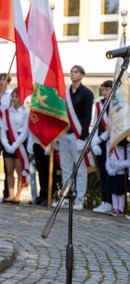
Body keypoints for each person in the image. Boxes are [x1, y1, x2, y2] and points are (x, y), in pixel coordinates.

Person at [55, 65, 94, 210]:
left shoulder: (87, 93)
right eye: (71, 72)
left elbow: (87, 117)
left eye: (76, 72)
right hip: (65, 135)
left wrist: (83, 138)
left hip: (78, 136)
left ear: (82, 75)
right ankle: (65, 198)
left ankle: (79, 200)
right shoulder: (65, 93)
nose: (72, 74)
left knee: (81, 169)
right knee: (66, 169)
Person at [0, 88, 30, 203]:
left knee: (19, 171)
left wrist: (15, 145)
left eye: (16, 96)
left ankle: (17, 196)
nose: (13, 98)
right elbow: (3, 130)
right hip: (8, 140)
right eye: (12, 96)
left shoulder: (25, 112)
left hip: (20, 143)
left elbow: (24, 131)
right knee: (9, 171)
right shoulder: (7, 112)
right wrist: (7, 145)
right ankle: (10, 195)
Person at [91, 80, 113, 213]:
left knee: (109, 172)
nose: (104, 92)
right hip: (99, 141)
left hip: (110, 142)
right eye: (103, 89)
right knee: (102, 173)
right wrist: (94, 142)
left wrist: (101, 139)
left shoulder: (115, 104)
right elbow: (94, 124)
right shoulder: (99, 105)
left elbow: (113, 125)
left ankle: (110, 202)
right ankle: (104, 200)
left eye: (107, 89)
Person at [104, 139, 129, 217]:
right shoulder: (110, 143)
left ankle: (121, 209)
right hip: (112, 172)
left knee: (121, 192)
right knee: (113, 191)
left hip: (121, 172)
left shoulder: (127, 146)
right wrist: (109, 169)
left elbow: (128, 162)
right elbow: (108, 157)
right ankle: (115, 207)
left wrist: (117, 167)